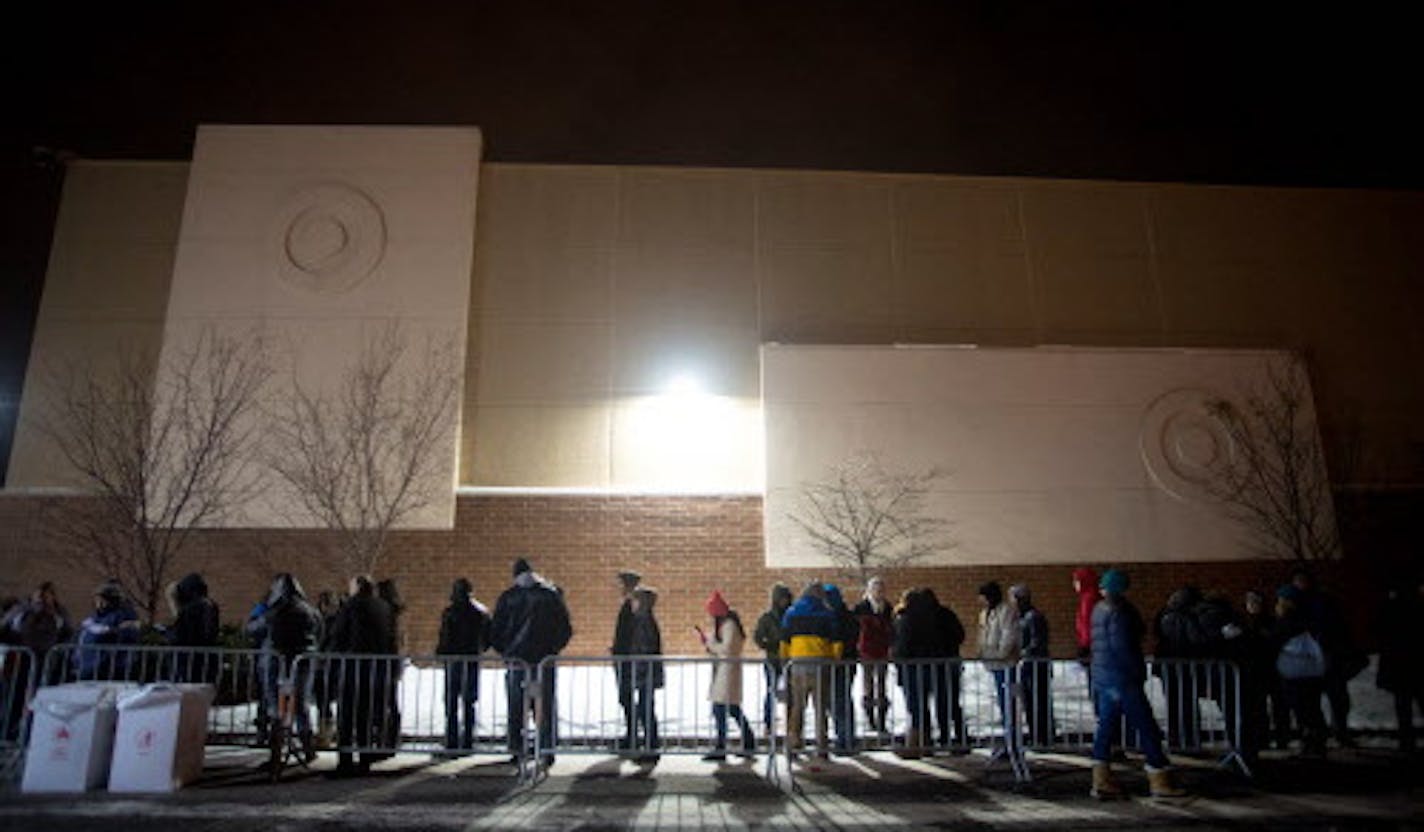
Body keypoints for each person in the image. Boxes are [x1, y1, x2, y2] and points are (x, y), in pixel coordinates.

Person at [1088, 569, 1185, 798]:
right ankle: (1159, 777)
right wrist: (1137, 672)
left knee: (1106, 728)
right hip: (1123, 679)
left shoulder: (1098, 610)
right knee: (1147, 727)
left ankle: (1101, 779)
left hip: (1105, 676)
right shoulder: (1120, 612)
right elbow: (1124, 647)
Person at [489, 557, 573, 768]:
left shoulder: (508, 597)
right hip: (543, 661)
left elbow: (496, 629)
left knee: (516, 706)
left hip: (517, 661)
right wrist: (552, 650)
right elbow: (564, 628)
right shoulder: (550, 595)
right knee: (544, 705)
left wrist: (505, 651)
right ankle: (546, 749)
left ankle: (517, 749)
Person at [325, 574, 395, 776]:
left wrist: (333, 656)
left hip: (352, 666)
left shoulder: (351, 606)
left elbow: (339, 634)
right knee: (365, 715)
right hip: (374, 667)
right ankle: (364, 759)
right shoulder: (382, 607)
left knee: (347, 716)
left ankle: (345, 761)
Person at [1291, 569, 1363, 747]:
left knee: (1334, 699)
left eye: (1302, 580)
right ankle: (1322, 734)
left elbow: (1337, 628)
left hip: (1326, 657)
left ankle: (1333, 733)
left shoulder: (1317, 602)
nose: (1300, 584)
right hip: (1315, 659)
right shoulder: (1303, 602)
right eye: (1298, 581)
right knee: (1317, 700)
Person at [257, 573, 324, 763]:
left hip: (275, 664)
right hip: (303, 662)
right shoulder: (309, 610)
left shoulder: (274, 611)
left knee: (275, 707)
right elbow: (320, 630)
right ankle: (307, 747)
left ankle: (276, 752)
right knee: (301, 705)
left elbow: (254, 629)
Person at [780, 581, 840, 762]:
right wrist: (834, 660)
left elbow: (784, 642)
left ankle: (793, 742)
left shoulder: (791, 612)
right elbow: (836, 642)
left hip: (797, 664)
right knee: (821, 707)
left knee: (798, 706)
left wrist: (785, 661)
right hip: (821, 663)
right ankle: (822, 746)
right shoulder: (827, 613)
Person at [1274, 583, 1328, 757]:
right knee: (1312, 708)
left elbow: (1276, 640)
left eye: (1281, 600)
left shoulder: (1289, 621)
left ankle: (1312, 743)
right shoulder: (1309, 619)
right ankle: (1315, 742)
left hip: (1296, 672)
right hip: (1312, 670)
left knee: (1303, 709)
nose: (1278, 604)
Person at [437, 577, 490, 752]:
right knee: (469, 700)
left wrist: (441, 654)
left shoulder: (450, 612)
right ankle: (468, 739)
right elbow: (487, 637)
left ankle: (452, 738)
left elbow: (445, 637)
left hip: (453, 660)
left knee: (451, 701)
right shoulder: (480, 612)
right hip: (472, 659)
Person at [700, 590, 755, 760]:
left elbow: (727, 649)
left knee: (722, 709)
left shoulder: (729, 625)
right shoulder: (728, 624)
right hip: (725, 671)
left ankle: (723, 746)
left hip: (727, 671)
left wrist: (710, 643)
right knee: (730, 709)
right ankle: (745, 742)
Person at [1153, 586, 1210, 748]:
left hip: (1167, 665)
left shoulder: (1163, 614)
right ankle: (1190, 740)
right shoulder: (1187, 617)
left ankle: (1175, 739)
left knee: (1173, 704)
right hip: (1185, 666)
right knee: (1188, 704)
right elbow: (1196, 639)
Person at [1376, 575, 1423, 753]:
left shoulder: (1390, 607)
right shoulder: (1417, 606)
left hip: (1399, 662)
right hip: (1415, 661)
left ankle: (1406, 740)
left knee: (1403, 703)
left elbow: (1379, 630)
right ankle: (1406, 740)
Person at [615, 585, 663, 760]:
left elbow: (643, 648)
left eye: (636, 599)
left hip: (643, 671)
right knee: (645, 707)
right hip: (644, 671)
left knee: (646, 708)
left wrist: (635, 668)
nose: (633, 603)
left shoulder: (643, 620)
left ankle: (651, 747)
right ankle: (650, 745)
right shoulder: (646, 619)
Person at [977, 581, 1020, 759]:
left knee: (1009, 705)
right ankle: (1009, 741)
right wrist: (981, 652)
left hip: (1005, 664)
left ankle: (1013, 744)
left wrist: (1001, 654)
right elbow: (983, 634)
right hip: (993, 663)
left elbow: (1009, 634)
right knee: (1003, 705)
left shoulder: (1006, 612)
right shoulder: (985, 614)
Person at [1010, 584, 1052, 746]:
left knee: (1038, 701)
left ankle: (1042, 736)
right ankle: (1035, 734)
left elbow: (1037, 642)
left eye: (1013, 598)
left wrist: (1022, 654)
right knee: (1029, 701)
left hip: (1035, 666)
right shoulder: (1022, 617)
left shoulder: (1033, 617)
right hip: (1027, 666)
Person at [926, 588, 967, 750]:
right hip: (951, 661)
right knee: (953, 702)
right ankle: (960, 736)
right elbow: (960, 634)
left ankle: (944, 737)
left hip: (937, 664)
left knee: (941, 702)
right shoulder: (947, 613)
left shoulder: (927, 618)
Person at [74, 581, 139, 681]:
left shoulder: (122, 615)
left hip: (109, 669)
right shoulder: (93, 618)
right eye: (97, 599)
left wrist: (113, 631)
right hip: (85, 667)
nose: (99, 603)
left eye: (102, 599)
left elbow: (129, 634)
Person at [852, 577, 893, 735]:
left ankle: (882, 721)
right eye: (876, 589)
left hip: (882, 650)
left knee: (882, 685)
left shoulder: (887, 608)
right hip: (866, 651)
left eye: (881, 590)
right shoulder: (861, 607)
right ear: (869, 591)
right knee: (868, 685)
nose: (879, 593)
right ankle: (870, 719)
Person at [823, 583, 860, 754]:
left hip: (837, 663)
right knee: (843, 699)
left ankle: (844, 738)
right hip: (848, 663)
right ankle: (847, 737)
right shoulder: (849, 616)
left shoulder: (832, 617)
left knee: (838, 701)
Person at [752, 583, 793, 735]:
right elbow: (758, 637)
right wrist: (769, 645)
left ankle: (790, 722)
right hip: (773, 659)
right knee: (771, 691)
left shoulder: (792, 615)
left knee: (791, 692)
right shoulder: (768, 618)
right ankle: (769, 723)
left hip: (789, 658)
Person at [166, 572, 220, 684]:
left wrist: (172, 601)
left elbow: (180, 633)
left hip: (188, 659)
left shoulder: (191, 608)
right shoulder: (210, 605)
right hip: (206, 658)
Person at [609, 569, 642, 750]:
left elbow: (628, 634)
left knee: (627, 697)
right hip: (623, 656)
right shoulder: (630, 605)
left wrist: (620, 651)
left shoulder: (631, 606)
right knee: (626, 698)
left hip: (626, 659)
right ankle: (631, 734)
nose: (620, 588)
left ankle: (632, 736)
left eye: (622, 584)